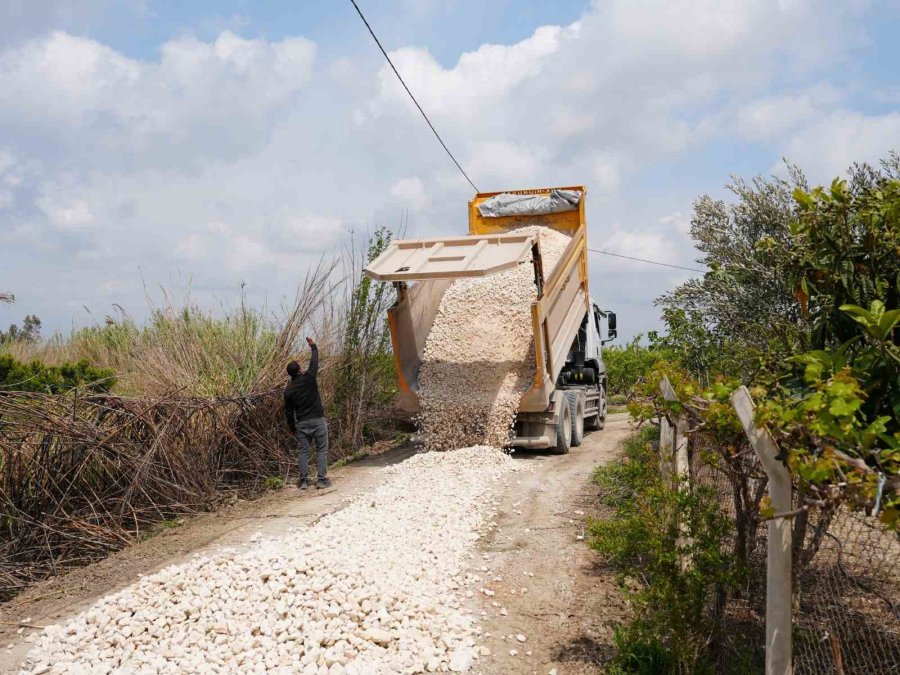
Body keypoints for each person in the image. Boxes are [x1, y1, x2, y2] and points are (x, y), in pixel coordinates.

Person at [284, 337, 331, 490]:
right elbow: (314, 362)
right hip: (318, 420)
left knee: (303, 452)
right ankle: (321, 480)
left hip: (302, 424)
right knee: (321, 450)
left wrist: (292, 427)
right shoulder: (309, 378)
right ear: (300, 370)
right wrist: (314, 347)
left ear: (289, 375)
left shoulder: (288, 390)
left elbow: (288, 412)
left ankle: (304, 481)